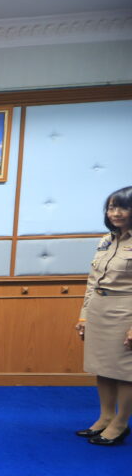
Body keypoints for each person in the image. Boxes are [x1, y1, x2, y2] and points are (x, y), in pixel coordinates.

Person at [75, 185, 132, 446]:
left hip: (125, 311)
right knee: (103, 367)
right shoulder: (106, 240)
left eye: (123, 207)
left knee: (125, 371)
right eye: (111, 207)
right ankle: (105, 417)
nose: (116, 213)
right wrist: (84, 316)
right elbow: (92, 281)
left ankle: (120, 423)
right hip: (99, 308)